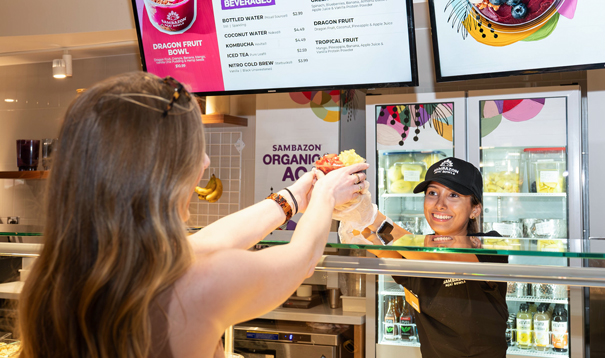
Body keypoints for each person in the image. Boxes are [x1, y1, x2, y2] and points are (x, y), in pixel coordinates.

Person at [17, 72, 369, 358]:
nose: (205, 163)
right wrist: (325, 195)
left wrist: (293, 196)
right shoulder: (194, 288)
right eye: (195, 150)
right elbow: (301, 260)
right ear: (162, 171)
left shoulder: (54, 278)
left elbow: (207, 243)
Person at [359, 157, 509, 358]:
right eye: (432, 193)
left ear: (475, 209)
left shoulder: (489, 245)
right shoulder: (413, 253)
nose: (439, 204)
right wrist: (351, 212)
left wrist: (371, 216)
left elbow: (443, 254)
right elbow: (374, 242)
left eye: (453, 195)